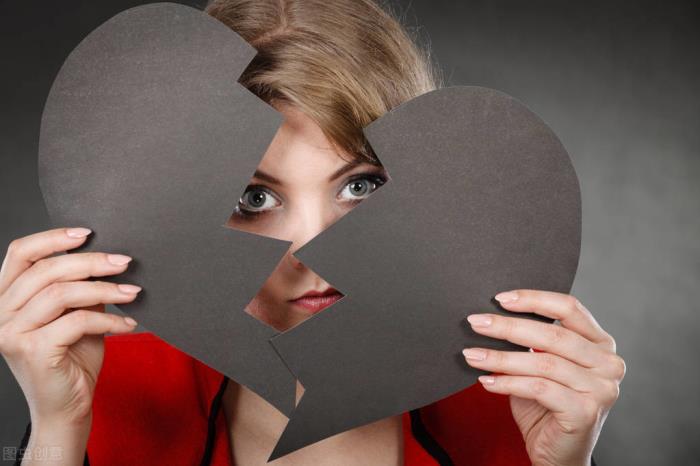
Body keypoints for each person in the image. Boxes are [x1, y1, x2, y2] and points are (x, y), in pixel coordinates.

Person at [0, 0, 625, 464]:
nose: (315, 256)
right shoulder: (111, 389)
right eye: (254, 198)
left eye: (360, 187)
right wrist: (57, 433)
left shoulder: (508, 401)